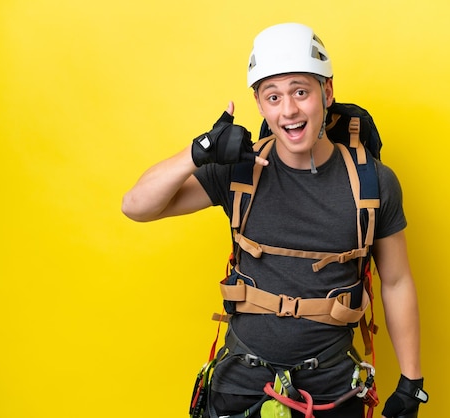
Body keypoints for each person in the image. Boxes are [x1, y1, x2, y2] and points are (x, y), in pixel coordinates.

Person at [122, 22, 427, 418]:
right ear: (260, 104)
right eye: (273, 96)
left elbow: (398, 280)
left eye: (301, 91)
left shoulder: (373, 182)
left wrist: (411, 381)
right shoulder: (237, 171)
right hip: (240, 385)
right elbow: (136, 206)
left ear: (327, 92)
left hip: (332, 387)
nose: (289, 111)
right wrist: (199, 152)